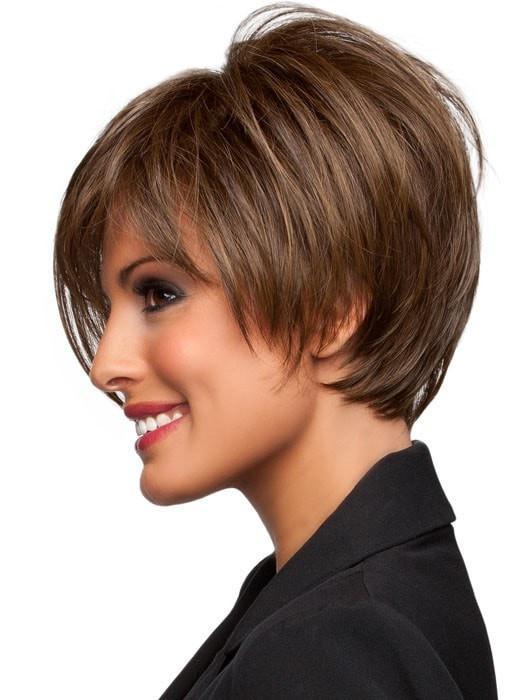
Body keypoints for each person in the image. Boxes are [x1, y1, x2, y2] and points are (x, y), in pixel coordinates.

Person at [53, 3, 498, 698]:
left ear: (330, 311)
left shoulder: (332, 652)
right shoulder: (362, 597)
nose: (105, 365)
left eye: (159, 294)